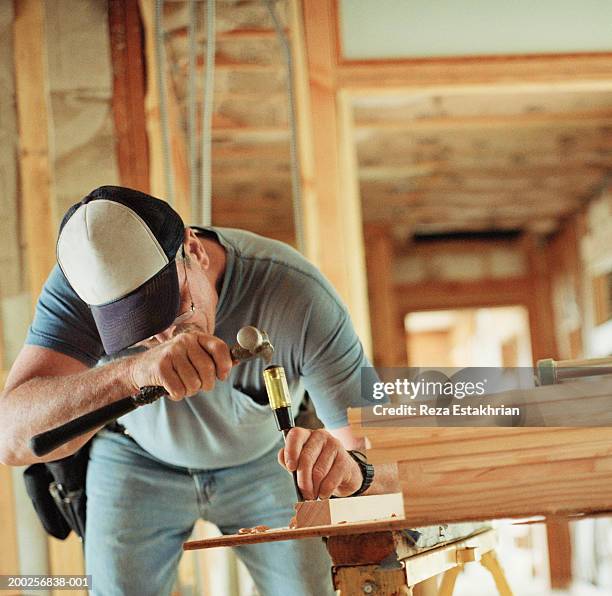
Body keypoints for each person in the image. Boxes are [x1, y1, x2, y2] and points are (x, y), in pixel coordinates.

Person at [0, 186, 396, 596]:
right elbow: (10, 439)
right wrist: (132, 372)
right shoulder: (82, 288)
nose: (165, 335)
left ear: (194, 250)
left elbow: (386, 455)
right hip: (137, 458)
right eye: (138, 331)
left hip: (265, 462)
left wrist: (353, 470)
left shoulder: (296, 295)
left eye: (173, 307)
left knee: (312, 591)